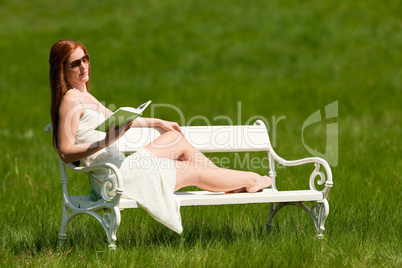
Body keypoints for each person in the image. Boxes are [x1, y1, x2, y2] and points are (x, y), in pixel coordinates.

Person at [49, 40, 272, 233]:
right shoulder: (70, 101)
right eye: (75, 63)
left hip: (122, 168)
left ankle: (226, 181)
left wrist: (157, 122)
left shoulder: (85, 95)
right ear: (62, 69)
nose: (83, 66)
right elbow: (65, 152)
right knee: (192, 171)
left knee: (176, 139)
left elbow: (117, 119)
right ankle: (249, 179)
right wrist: (105, 141)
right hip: (112, 180)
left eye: (85, 59)